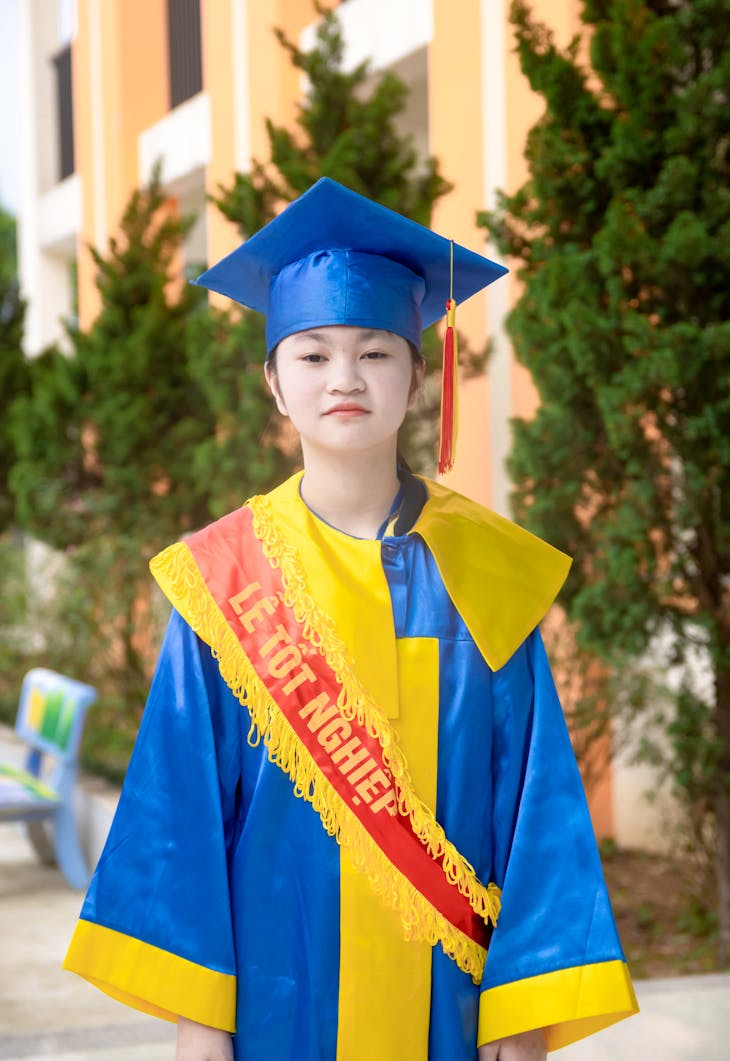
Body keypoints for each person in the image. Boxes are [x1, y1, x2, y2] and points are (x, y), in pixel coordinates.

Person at [64, 178, 638, 1060]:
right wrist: (198, 1029)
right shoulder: (225, 581)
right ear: (273, 383)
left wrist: (521, 1026)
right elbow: (177, 820)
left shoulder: (486, 574)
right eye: (313, 355)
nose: (344, 379)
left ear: (417, 375)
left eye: (375, 353)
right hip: (275, 1003)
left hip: (451, 1006)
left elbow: (539, 814)